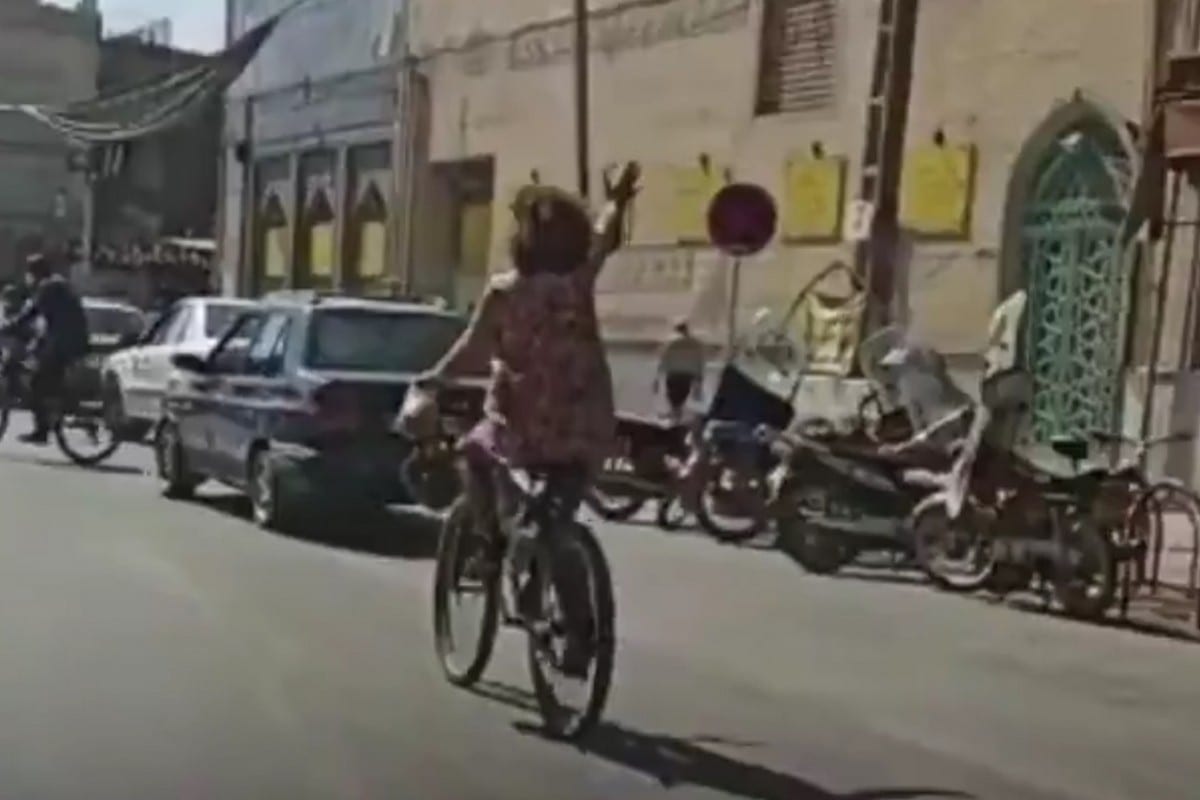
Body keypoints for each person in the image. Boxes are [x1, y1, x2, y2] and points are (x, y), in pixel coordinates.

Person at [415, 163, 639, 676]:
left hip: (521, 428)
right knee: (556, 521)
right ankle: (579, 630)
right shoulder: (579, 282)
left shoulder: (504, 292)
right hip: (584, 424)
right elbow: (606, 236)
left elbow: (472, 352)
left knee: (475, 452)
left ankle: (490, 544)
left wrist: (433, 379)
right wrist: (619, 200)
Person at [0, 254, 90, 444]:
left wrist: (6, 327)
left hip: (65, 343)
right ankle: (52, 410)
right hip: (66, 340)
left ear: (35, 272)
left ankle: (41, 431)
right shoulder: (56, 285)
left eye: (29, 273)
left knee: (38, 382)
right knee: (41, 373)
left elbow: (30, 313)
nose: (27, 277)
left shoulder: (48, 287)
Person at [654, 320, 705, 420]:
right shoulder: (696, 344)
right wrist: (699, 381)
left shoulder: (672, 344)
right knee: (680, 398)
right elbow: (699, 362)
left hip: (673, 374)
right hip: (687, 375)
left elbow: (664, 360)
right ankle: (676, 417)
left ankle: (675, 417)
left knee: (674, 399)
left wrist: (657, 378)